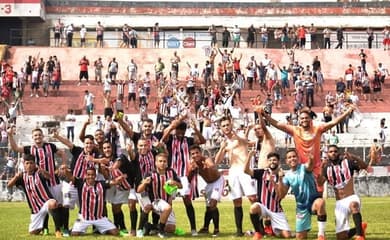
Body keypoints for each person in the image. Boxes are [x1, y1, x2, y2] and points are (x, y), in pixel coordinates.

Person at [259, 106, 354, 194]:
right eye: (302, 118)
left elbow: (334, 122)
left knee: (318, 198)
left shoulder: (318, 129)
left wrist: (347, 112)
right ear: (299, 120)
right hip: (301, 169)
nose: (304, 120)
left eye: (306, 118)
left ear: (310, 119)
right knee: (303, 198)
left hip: (316, 168)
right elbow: (278, 124)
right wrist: (265, 115)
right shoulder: (295, 130)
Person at [7, 127, 68, 236]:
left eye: (39, 135)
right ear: (32, 137)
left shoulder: (50, 146)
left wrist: (63, 165)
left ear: (43, 136)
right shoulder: (29, 149)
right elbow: (15, 148)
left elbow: (62, 153)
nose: (37, 137)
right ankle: (45, 228)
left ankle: (62, 228)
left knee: (59, 206)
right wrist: (10, 135)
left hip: (53, 181)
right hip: (39, 183)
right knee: (43, 205)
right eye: (35, 135)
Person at [160, 118, 206, 235]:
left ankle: (193, 229)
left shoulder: (189, 140)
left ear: (185, 131)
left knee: (187, 201)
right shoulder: (170, 139)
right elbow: (162, 139)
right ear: (175, 130)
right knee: (168, 202)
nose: (180, 133)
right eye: (178, 131)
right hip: (172, 175)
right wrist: (171, 127)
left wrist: (196, 129)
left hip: (185, 175)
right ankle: (163, 227)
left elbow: (202, 141)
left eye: (182, 131)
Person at [215, 116, 257, 236]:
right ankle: (239, 231)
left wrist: (236, 135)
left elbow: (245, 142)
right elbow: (217, 161)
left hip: (245, 170)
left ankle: (260, 229)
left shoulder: (240, 135)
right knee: (237, 201)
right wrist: (222, 148)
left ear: (231, 124)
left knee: (253, 198)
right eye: (223, 126)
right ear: (221, 128)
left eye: (227, 125)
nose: (226, 127)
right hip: (233, 172)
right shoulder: (225, 142)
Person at [319, 145, 368, 240]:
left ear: (339, 153)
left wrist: (354, 157)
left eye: (335, 151)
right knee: (341, 237)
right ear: (327, 154)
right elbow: (320, 183)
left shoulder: (348, 162)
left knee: (354, 205)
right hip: (339, 202)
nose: (333, 153)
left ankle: (360, 236)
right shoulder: (326, 168)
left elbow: (364, 166)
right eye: (331, 151)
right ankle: (360, 227)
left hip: (351, 197)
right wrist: (321, 166)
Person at [58, 166, 124, 236]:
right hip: (84, 218)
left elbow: (112, 182)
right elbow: (71, 177)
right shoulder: (80, 183)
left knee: (115, 232)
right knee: (74, 234)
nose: (90, 177)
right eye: (88, 175)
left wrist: (120, 178)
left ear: (95, 176)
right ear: (85, 175)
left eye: (92, 175)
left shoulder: (101, 184)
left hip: (99, 218)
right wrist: (66, 171)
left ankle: (102, 228)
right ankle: (74, 228)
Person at [7, 154, 63, 237]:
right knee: (33, 232)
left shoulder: (39, 173)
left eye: (31, 163)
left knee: (53, 203)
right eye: (27, 163)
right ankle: (42, 227)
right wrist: (15, 177)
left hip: (45, 202)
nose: (29, 165)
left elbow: (49, 177)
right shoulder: (22, 176)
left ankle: (58, 230)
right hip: (35, 208)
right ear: (23, 164)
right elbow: (9, 185)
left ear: (34, 164)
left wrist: (44, 171)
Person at [278, 149, 327, 240]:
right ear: (286, 161)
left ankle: (321, 235)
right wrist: (280, 179)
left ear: (298, 158)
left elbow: (310, 166)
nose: (292, 159)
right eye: (289, 157)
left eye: (294, 156)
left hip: (313, 201)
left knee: (320, 203)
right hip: (301, 207)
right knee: (300, 237)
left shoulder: (303, 167)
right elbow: (282, 195)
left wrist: (311, 159)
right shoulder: (287, 176)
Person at [245, 151, 292, 239]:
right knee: (253, 207)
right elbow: (246, 170)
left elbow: (281, 195)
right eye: (270, 160)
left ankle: (270, 229)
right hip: (263, 207)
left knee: (287, 236)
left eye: (274, 160)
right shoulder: (262, 172)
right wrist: (249, 156)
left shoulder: (283, 176)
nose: (272, 162)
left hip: (276, 209)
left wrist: (276, 181)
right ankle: (258, 232)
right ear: (267, 162)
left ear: (278, 162)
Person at [137, 153, 182, 238]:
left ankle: (150, 226)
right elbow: (139, 190)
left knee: (171, 228)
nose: (162, 163)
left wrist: (175, 183)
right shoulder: (150, 174)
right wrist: (144, 183)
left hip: (166, 202)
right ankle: (160, 231)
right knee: (167, 208)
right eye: (160, 161)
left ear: (167, 163)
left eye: (164, 161)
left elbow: (181, 186)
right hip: (155, 201)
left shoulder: (171, 172)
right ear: (156, 163)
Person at [188, 145, 224, 237]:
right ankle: (205, 228)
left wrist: (207, 167)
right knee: (208, 207)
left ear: (200, 153)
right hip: (209, 184)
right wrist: (192, 171)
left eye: (197, 152)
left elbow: (212, 166)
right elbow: (189, 178)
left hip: (217, 181)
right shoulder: (193, 164)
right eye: (193, 154)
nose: (195, 155)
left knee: (212, 204)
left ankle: (216, 229)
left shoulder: (206, 159)